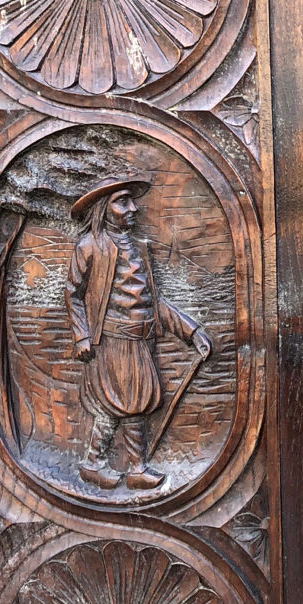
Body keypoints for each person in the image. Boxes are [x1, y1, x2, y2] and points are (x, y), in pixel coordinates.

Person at [65, 176, 211, 490]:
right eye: (122, 201)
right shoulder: (89, 246)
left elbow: (154, 301)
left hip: (141, 340)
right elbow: (73, 294)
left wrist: (192, 332)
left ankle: (122, 467)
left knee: (138, 402)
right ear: (103, 209)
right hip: (112, 341)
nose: (133, 208)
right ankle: (108, 465)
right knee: (119, 403)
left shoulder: (139, 248)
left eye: (132, 201)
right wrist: (81, 336)